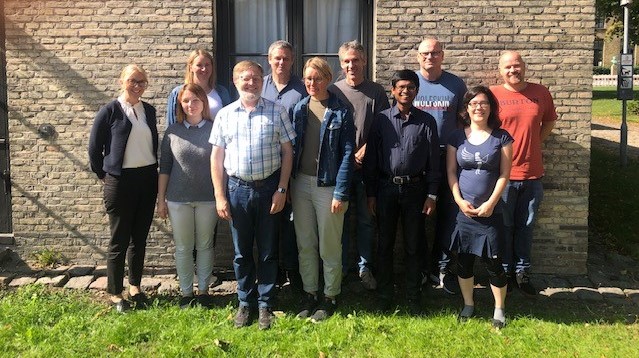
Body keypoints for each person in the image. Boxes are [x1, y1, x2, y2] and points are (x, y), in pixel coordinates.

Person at [210, 60, 295, 330]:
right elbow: (216, 157)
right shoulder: (225, 114)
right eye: (246, 78)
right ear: (235, 81)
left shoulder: (277, 110)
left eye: (257, 78)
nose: (252, 83)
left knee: (269, 251)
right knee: (241, 252)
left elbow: (287, 152)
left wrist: (282, 189)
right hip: (237, 190)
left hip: (269, 189)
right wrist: (219, 195)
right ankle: (245, 303)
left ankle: (266, 303)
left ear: (263, 81)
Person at [363, 70, 440, 314]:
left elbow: (434, 162)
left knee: (414, 245)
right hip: (386, 189)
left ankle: (413, 296)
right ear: (393, 90)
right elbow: (372, 160)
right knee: (384, 243)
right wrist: (371, 194)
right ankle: (385, 296)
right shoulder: (381, 120)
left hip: (415, 189)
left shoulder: (427, 122)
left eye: (411, 87)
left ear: (417, 91)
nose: (405, 91)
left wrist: (432, 194)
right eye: (401, 87)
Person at [88, 64, 158, 313]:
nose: (137, 86)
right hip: (120, 182)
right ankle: (115, 293)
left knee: (139, 239)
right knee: (119, 239)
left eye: (142, 82)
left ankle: (135, 287)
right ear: (121, 81)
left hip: (147, 179)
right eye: (132, 81)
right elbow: (94, 150)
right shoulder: (109, 111)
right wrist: (105, 176)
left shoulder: (149, 110)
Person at [291, 57, 354, 322]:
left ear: (327, 79)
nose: (312, 83)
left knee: (329, 245)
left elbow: (348, 153)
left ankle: (330, 295)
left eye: (317, 78)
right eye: (308, 78)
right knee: (305, 243)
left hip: (328, 186)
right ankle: (310, 292)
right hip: (300, 184)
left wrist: (341, 192)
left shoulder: (341, 110)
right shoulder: (299, 108)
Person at [490, 51, 557, 295]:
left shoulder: (540, 93)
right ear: (500, 71)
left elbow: (549, 121)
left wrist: (536, 142)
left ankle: (523, 272)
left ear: (524, 67)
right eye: (508, 67)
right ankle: (505, 272)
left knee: (526, 227)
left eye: (516, 66)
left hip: (532, 174)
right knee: (504, 226)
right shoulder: (493, 95)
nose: (513, 70)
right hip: (503, 176)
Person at [447, 85, 513, 329]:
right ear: (466, 108)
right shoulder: (456, 137)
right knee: (463, 262)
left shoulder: (502, 137)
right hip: (464, 212)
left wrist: (490, 203)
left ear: (491, 107)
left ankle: (499, 309)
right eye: (473, 103)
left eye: (483, 103)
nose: (478, 107)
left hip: (490, 212)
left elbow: (505, 174)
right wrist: (459, 201)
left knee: (494, 263)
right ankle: (468, 304)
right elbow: (452, 172)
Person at [328, 40, 390, 290]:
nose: (351, 65)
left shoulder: (376, 92)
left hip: (367, 169)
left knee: (366, 220)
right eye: (346, 61)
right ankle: (341, 268)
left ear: (364, 61)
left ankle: (365, 268)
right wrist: (346, 156)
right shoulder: (333, 91)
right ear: (340, 64)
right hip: (338, 168)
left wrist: (363, 151)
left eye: (355, 60)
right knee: (338, 221)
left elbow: (383, 127)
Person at [413, 36, 467, 294]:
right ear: (418, 56)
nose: (429, 58)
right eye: (425, 53)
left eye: (434, 53)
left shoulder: (455, 84)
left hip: (448, 157)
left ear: (442, 55)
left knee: (448, 216)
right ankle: (422, 268)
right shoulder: (410, 83)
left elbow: (463, 122)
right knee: (418, 217)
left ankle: (442, 268)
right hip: (417, 159)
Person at [157, 84, 218, 309]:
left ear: (203, 102)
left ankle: (203, 291)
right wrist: (160, 199)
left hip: (208, 198)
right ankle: (185, 293)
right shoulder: (173, 131)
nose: (191, 105)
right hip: (177, 198)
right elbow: (165, 167)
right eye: (186, 101)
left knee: (204, 245)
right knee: (183, 247)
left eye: (195, 100)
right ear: (180, 104)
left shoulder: (215, 129)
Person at [261, 40, 307, 291]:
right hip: (265, 164)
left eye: (286, 59)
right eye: (277, 58)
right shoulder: (259, 86)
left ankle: (292, 268)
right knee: (268, 219)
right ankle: (273, 270)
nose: (281, 63)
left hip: (295, 164)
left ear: (292, 61)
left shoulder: (302, 89)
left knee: (292, 220)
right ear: (269, 59)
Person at [166, 48, 232, 127]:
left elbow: (229, 122)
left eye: (207, 65)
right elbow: (171, 125)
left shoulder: (221, 92)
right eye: (199, 65)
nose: (204, 69)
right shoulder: (178, 92)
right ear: (191, 67)